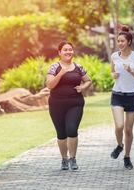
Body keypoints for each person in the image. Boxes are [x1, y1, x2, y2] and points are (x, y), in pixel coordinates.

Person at [46, 41, 92, 170]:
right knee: (61, 133)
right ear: (59, 52)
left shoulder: (78, 67)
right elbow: (49, 85)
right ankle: (64, 159)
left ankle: (73, 158)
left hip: (75, 103)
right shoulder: (54, 67)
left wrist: (82, 87)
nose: (68, 52)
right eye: (65, 50)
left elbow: (88, 80)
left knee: (72, 129)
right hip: (56, 104)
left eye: (70, 49)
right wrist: (61, 73)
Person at [109, 26, 134, 170]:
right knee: (119, 126)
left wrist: (131, 72)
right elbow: (112, 72)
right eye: (118, 41)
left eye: (122, 41)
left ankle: (127, 157)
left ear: (129, 41)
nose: (120, 43)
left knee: (128, 130)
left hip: (132, 96)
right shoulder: (114, 56)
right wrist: (113, 75)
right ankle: (119, 145)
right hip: (117, 94)